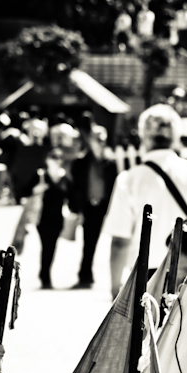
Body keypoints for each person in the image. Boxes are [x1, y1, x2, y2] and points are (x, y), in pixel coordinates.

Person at [102, 102, 187, 299]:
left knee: (146, 330)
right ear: (176, 137)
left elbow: (120, 242)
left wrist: (115, 291)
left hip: (145, 280)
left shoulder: (129, 180)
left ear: (143, 136)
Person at [69, 112, 118, 288]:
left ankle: (85, 272)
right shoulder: (80, 161)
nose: (99, 143)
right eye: (96, 139)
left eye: (102, 140)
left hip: (102, 207)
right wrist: (75, 208)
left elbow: (114, 182)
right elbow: (74, 186)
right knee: (88, 241)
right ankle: (85, 273)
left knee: (93, 241)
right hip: (87, 206)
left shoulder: (110, 162)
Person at [36, 149, 72, 289]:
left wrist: (77, 212)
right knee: (46, 246)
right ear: (47, 159)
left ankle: (45, 274)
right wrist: (38, 189)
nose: (56, 160)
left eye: (59, 158)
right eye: (53, 157)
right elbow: (24, 191)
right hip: (42, 218)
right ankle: (45, 275)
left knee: (51, 247)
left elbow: (72, 198)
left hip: (57, 219)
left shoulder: (65, 178)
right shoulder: (41, 175)